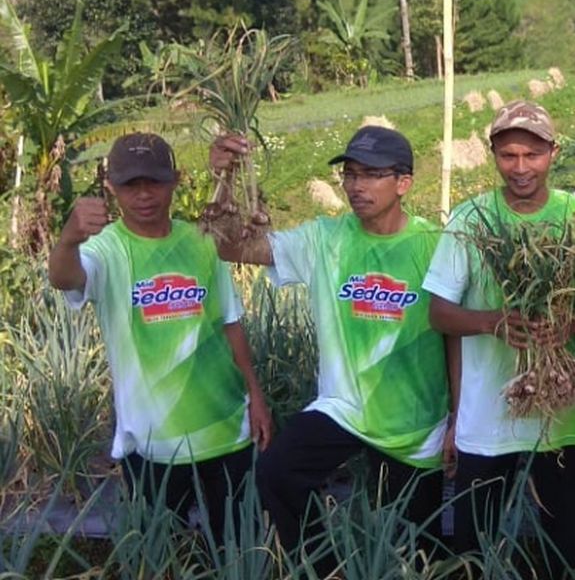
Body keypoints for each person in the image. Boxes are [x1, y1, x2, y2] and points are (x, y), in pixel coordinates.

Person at [210, 125, 451, 572]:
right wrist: (225, 179)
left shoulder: (436, 245)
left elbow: (455, 337)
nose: (357, 186)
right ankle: (327, 569)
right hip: (344, 408)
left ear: (404, 183)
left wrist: (459, 417)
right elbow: (232, 248)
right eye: (351, 174)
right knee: (277, 472)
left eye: (372, 175)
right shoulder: (325, 238)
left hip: (415, 425)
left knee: (416, 552)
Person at [48, 133, 271, 538]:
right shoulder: (106, 248)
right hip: (152, 442)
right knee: (162, 553)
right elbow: (66, 278)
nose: (144, 195)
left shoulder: (204, 241)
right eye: (131, 185)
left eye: (154, 181)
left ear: (175, 180)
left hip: (226, 429)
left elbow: (231, 323)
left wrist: (255, 395)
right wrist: (68, 238)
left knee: (240, 547)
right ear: (113, 188)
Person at [423, 100, 575, 579]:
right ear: (492, 154)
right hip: (488, 419)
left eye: (532, 155)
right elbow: (438, 312)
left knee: (563, 552)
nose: (520, 168)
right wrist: (492, 322)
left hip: (559, 419)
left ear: (553, 153)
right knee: (475, 548)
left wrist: (571, 325)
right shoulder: (470, 218)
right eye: (508, 155)